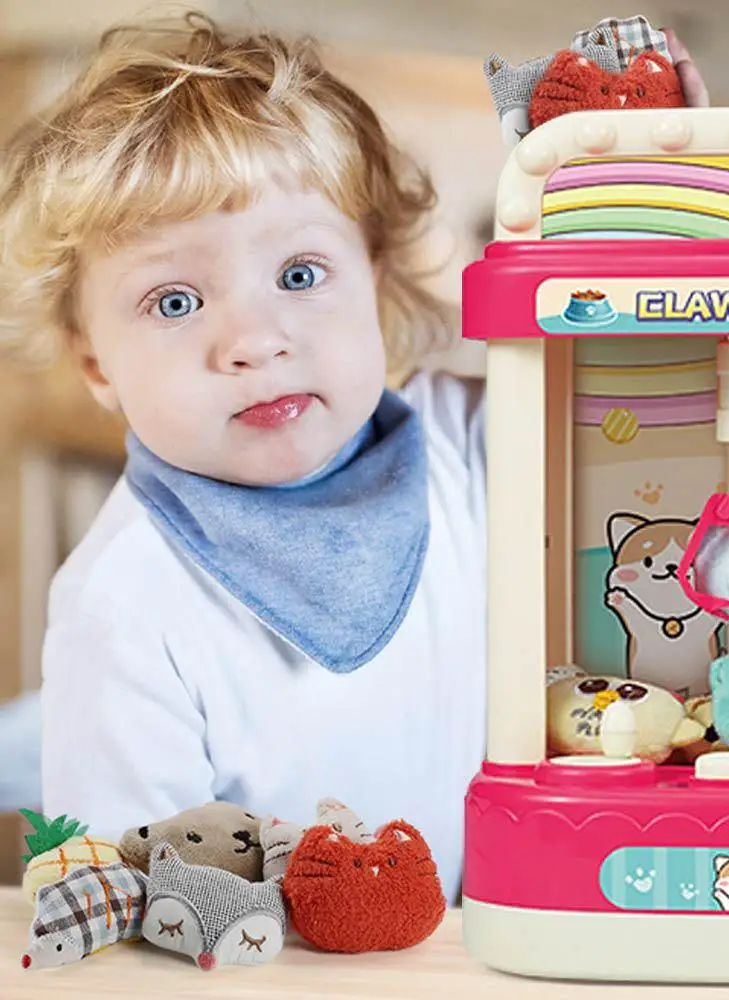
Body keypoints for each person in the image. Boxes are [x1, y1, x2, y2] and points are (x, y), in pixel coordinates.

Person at [0, 11, 486, 903]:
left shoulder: (473, 441)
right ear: (96, 364)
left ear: (374, 282)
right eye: (175, 301)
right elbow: (134, 908)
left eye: (300, 275)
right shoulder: (122, 606)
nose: (255, 341)